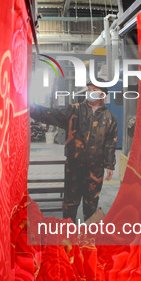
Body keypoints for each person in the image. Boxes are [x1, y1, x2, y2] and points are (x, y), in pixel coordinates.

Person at [30, 82, 117, 221]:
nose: (90, 92)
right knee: (70, 203)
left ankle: (88, 238)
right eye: (89, 89)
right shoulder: (74, 110)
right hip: (74, 167)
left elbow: (110, 143)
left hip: (96, 169)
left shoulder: (109, 118)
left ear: (102, 95)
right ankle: (68, 237)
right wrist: (31, 108)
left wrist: (110, 164)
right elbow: (52, 114)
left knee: (91, 205)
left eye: (94, 90)